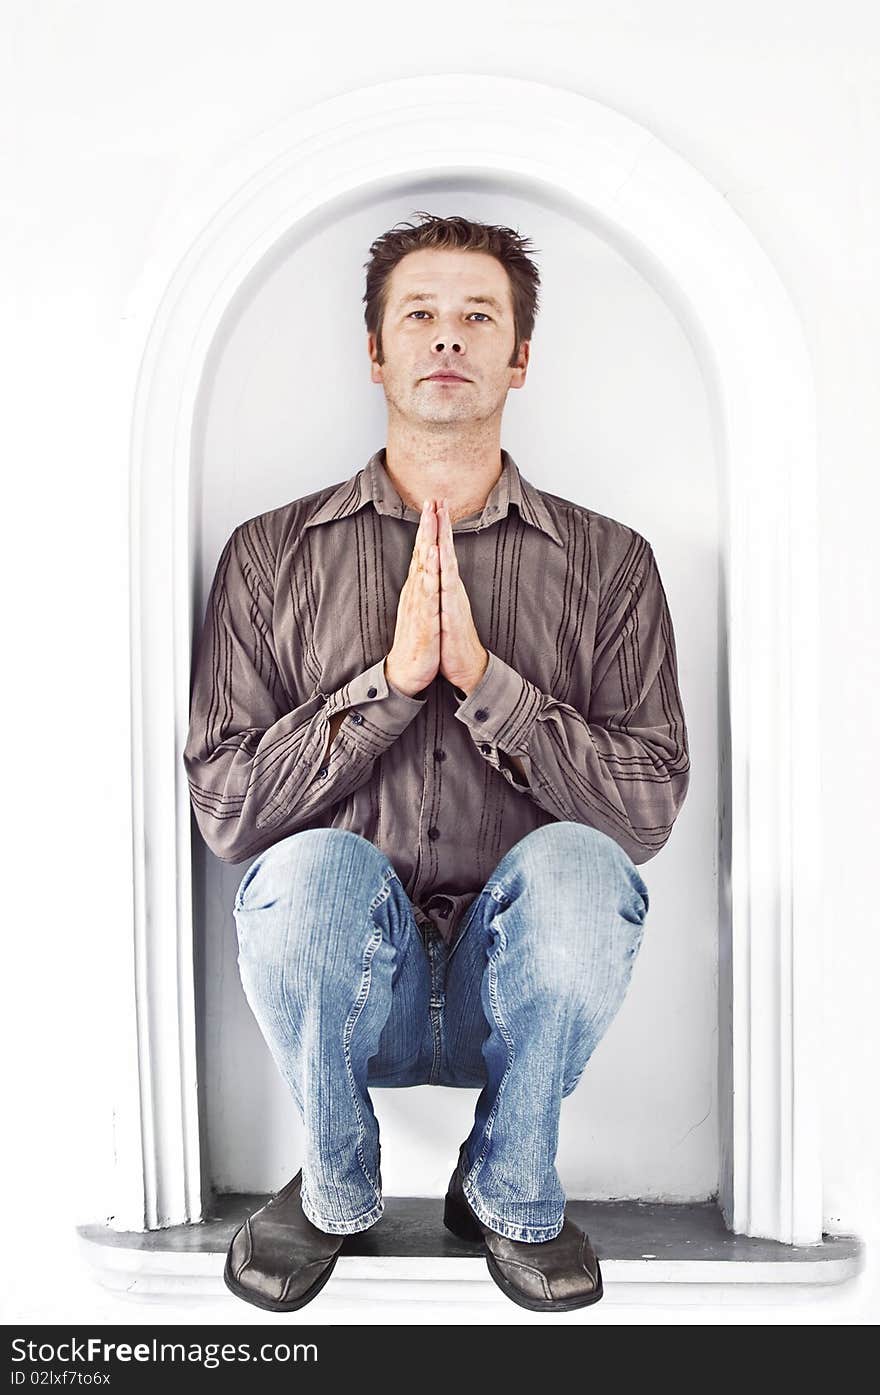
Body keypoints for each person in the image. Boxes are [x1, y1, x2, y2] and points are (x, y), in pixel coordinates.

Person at [183, 211, 691, 1314]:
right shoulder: (271, 555)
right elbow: (225, 811)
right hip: (354, 984)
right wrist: (390, 685)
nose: (446, 339)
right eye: (419, 315)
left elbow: (645, 809)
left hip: (507, 988)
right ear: (376, 352)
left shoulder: (610, 564)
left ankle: (509, 1192)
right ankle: (332, 1188)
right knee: (307, 872)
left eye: (477, 317)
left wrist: (485, 681)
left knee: (583, 870)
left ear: (519, 357)